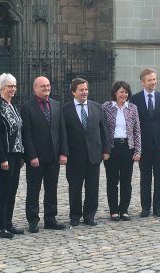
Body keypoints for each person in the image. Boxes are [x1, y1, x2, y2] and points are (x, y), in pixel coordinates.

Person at [20, 76, 68, 233]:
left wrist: (63, 153)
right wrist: (31, 156)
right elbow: (26, 134)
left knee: (51, 189)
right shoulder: (27, 107)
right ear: (35, 88)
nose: (46, 88)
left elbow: (62, 131)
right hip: (36, 158)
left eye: (48, 85)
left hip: (54, 156)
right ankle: (33, 220)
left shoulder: (56, 105)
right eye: (43, 86)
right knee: (33, 190)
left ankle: (50, 218)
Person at [62, 78, 110, 227]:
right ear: (73, 92)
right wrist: (64, 153)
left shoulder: (97, 107)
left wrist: (106, 149)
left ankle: (89, 215)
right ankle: (75, 216)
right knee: (75, 188)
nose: (84, 92)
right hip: (74, 156)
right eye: (81, 90)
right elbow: (63, 133)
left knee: (92, 187)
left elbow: (104, 130)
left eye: (86, 89)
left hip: (94, 155)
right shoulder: (65, 109)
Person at [130, 68, 160, 218]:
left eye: (154, 79)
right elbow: (133, 125)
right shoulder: (135, 99)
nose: (153, 82)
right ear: (143, 82)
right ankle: (145, 207)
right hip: (143, 146)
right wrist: (135, 147)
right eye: (150, 80)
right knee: (145, 177)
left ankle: (158, 208)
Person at [0, 73, 25, 238]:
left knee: (13, 189)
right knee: (4, 189)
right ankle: (1, 226)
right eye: (10, 86)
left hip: (16, 154)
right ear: (2, 87)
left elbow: (19, 131)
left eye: (14, 86)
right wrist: (1, 158)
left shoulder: (13, 105)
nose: (13, 89)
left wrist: (22, 154)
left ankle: (8, 222)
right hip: (6, 155)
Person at [102, 81, 141, 221]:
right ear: (115, 93)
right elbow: (103, 130)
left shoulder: (132, 108)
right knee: (112, 180)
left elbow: (137, 131)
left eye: (126, 92)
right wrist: (104, 149)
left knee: (126, 180)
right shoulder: (106, 107)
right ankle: (113, 210)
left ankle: (124, 209)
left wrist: (138, 151)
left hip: (127, 147)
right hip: (112, 148)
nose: (124, 94)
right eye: (121, 92)